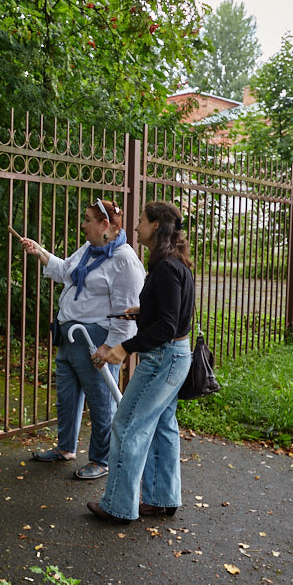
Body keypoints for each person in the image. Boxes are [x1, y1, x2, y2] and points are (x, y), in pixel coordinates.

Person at [20, 198, 144, 480]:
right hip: (69, 335)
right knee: (66, 395)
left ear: (105, 226)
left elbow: (127, 312)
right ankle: (66, 448)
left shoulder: (124, 260)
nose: (83, 225)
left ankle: (101, 460)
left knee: (101, 401)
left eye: (88, 220)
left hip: (96, 338)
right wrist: (39, 251)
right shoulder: (91, 249)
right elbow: (66, 271)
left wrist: (111, 347)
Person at [87, 201, 195, 523]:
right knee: (162, 427)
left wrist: (125, 348)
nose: (136, 228)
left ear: (157, 225)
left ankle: (118, 506)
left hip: (162, 360)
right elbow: (170, 318)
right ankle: (162, 499)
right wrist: (141, 312)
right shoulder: (175, 264)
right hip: (176, 356)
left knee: (127, 425)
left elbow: (166, 327)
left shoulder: (164, 268)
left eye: (141, 222)